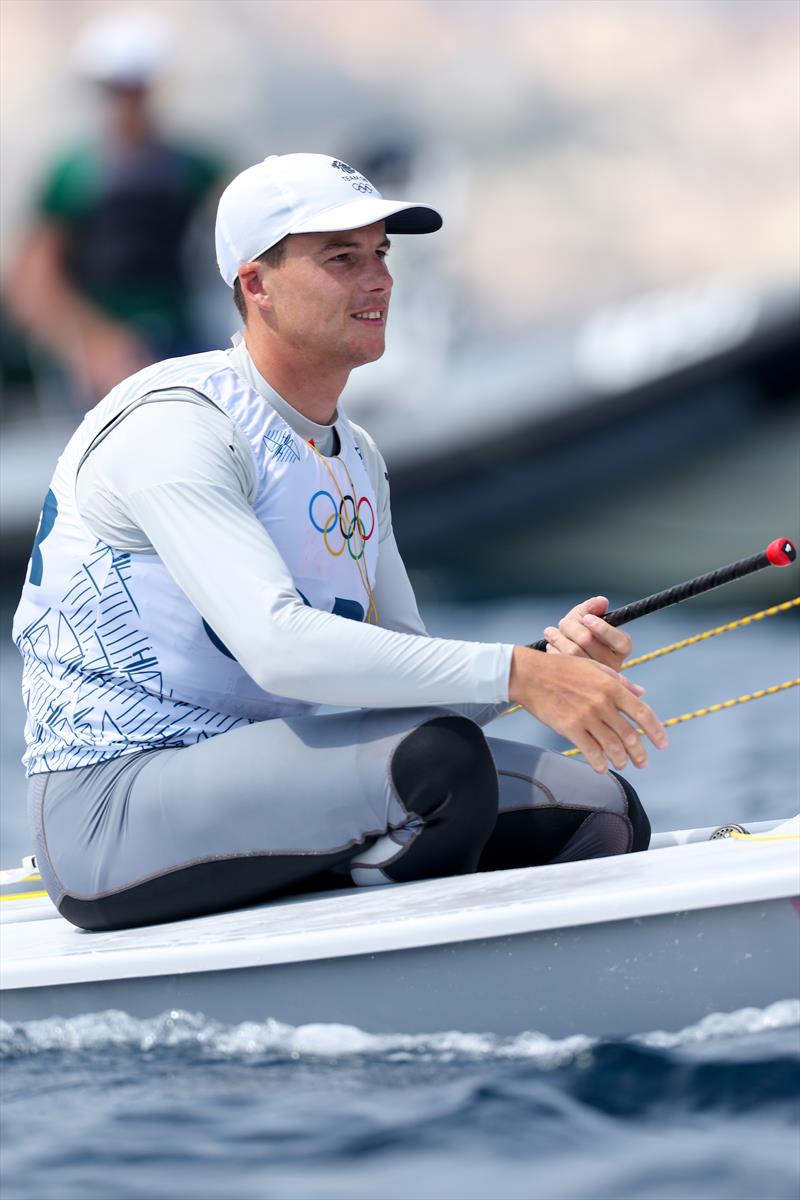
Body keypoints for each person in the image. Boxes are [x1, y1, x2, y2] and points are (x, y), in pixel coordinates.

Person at [13, 153, 666, 933]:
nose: (379, 279)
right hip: (109, 812)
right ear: (256, 284)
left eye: (382, 254)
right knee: (437, 766)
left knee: (604, 809)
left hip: (255, 784)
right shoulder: (177, 425)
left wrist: (544, 672)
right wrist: (514, 673)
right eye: (342, 259)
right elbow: (278, 649)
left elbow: (409, 680)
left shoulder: (354, 453)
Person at [5, 11, 222, 409]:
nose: (127, 100)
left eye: (135, 87)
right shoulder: (72, 175)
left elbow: (249, 239)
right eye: (116, 89)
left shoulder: (192, 166)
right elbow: (33, 282)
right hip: (98, 358)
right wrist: (91, 343)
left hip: (186, 339)